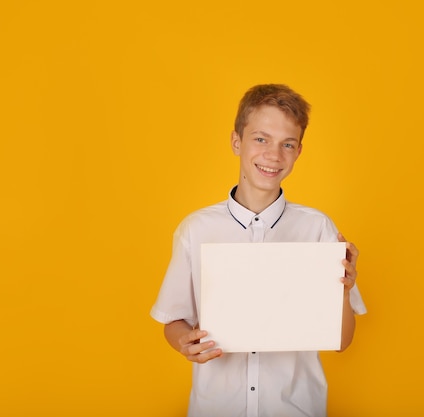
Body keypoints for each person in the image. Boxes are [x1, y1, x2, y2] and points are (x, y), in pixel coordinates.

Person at [151, 84, 366, 417]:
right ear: (237, 142)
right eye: (261, 139)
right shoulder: (196, 230)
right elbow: (173, 319)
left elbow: (341, 342)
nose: (273, 155)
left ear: (298, 152)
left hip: (296, 408)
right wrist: (184, 342)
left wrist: (344, 291)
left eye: (287, 144)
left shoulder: (317, 229)